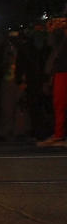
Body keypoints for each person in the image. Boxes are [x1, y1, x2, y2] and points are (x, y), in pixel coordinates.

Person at [37, 16, 67, 146]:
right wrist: (52, 30)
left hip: (63, 71)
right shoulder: (59, 38)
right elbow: (51, 47)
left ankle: (60, 135)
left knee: (60, 104)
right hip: (60, 71)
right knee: (59, 104)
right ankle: (59, 135)